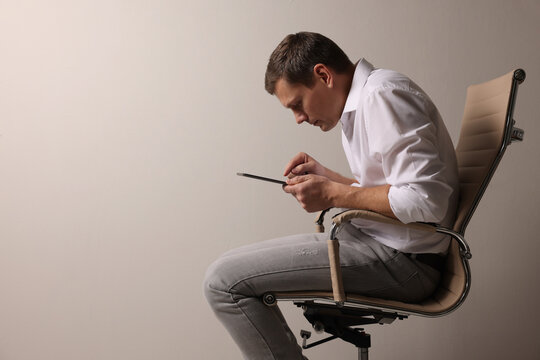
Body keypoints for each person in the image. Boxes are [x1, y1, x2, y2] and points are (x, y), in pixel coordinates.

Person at [204, 32, 459, 360]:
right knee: (223, 271)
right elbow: (395, 190)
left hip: (403, 262)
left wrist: (333, 193)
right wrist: (329, 179)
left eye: (297, 104)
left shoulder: (383, 94)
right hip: (379, 244)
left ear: (323, 75)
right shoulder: (366, 102)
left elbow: (425, 201)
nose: (298, 118)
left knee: (222, 282)